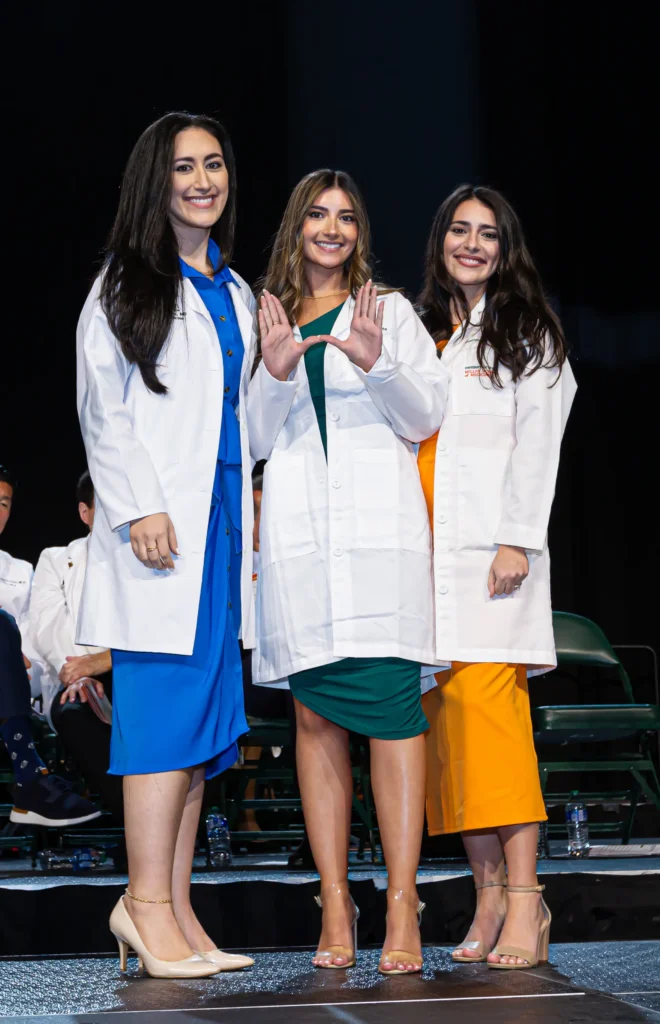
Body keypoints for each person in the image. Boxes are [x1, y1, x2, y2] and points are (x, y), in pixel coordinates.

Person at [248, 169, 447, 974]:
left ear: (360, 232)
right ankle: (335, 899)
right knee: (316, 722)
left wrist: (377, 363)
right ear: (296, 227)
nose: (332, 228)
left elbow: (425, 415)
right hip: (303, 551)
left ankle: (401, 899)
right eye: (317, 215)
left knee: (395, 716)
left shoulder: (388, 312)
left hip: (378, 553)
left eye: (346, 217)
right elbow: (254, 438)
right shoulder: (268, 316)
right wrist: (273, 371)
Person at [76, 113, 256, 979]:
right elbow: (100, 405)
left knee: (203, 725)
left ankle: (176, 908)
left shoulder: (236, 288)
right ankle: (142, 904)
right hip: (161, 531)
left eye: (213, 164)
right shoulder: (127, 279)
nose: (202, 180)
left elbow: (244, 411)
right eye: (184, 167)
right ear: (158, 180)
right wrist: (139, 506)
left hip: (221, 525)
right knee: (160, 719)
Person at [417, 184, 577, 970]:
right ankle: (485, 897)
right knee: (453, 746)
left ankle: (526, 897)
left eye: (487, 233)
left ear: (506, 248)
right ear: (440, 241)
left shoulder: (527, 330)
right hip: (427, 574)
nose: (471, 244)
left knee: (496, 738)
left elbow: (539, 444)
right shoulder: (427, 334)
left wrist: (516, 539)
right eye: (459, 230)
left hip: (492, 567)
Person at [0, 464, 100, 826]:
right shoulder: (57, 562)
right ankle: (30, 777)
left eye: (4, 503)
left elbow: (34, 651)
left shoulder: (19, 572)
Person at [29, 470, 121, 822]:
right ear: (86, 513)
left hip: (130, 672)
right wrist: (80, 671)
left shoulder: (143, 559)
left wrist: (105, 662)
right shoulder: (56, 559)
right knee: (75, 712)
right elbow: (47, 625)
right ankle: (134, 820)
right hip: (75, 678)